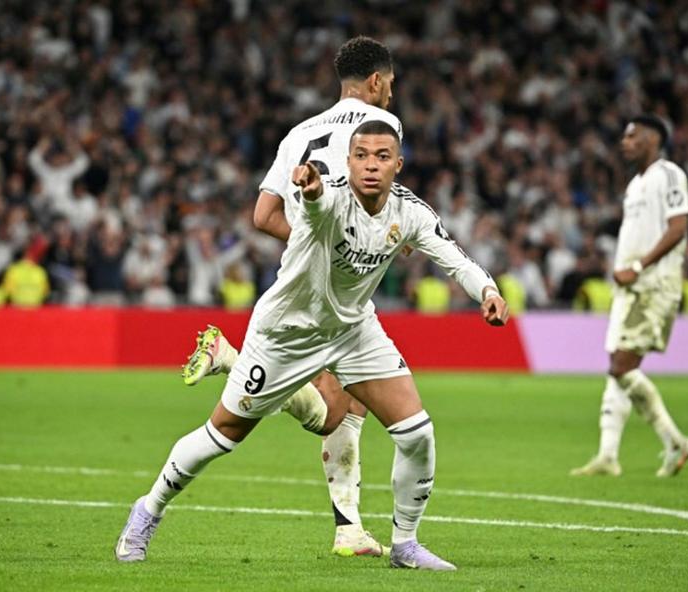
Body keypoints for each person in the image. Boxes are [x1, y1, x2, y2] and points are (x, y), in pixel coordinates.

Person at [116, 121, 509, 570]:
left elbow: (453, 256)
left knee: (416, 431)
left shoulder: (410, 212)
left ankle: (405, 545)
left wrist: (488, 292)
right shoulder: (329, 198)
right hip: (286, 333)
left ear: (397, 165)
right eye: (361, 155)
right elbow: (318, 208)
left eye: (382, 156)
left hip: (353, 330)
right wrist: (311, 187)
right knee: (221, 436)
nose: (371, 165)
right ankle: (148, 510)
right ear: (348, 161)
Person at [181, 36, 405, 557]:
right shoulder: (383, 131)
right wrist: (352, 248)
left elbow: (262, 217)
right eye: (390, 86)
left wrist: (315, 242)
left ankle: (349, 529)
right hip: (337, 293)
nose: (391, 97)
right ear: (376, 82)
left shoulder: (299, 134)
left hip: (300, 282)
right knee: (335, 412)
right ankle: (233, 359)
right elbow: (376, 209)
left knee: (346, 407)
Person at [571, 115, 688, 478]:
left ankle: (675, 440)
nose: (625, 142)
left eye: (633, 135)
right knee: (617, 369)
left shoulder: (669, 174)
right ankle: (608, 455)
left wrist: (638, 268)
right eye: (624, 136)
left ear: (654, 139)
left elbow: (678, 227)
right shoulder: (635, 185)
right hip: (629, 288)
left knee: (621, 367)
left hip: (652, 284)